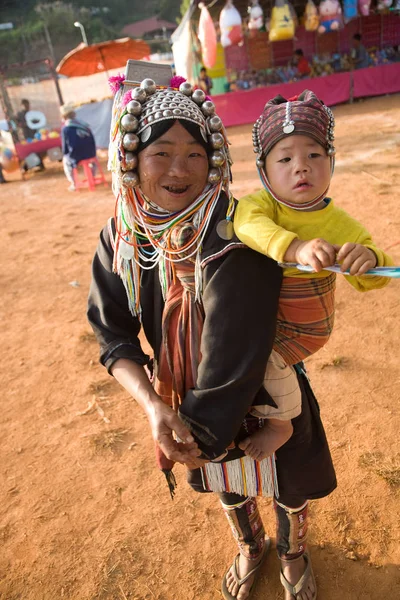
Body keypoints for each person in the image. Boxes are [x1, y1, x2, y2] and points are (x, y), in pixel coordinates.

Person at [88, 75, 337, 600]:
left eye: (194, 154)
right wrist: (155, 404)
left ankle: (292, 552)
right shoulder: (121, 234)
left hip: (261, 393)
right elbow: (113, 330)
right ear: (130, 158)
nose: (179, 169)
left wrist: (196, 433)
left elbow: (233, 347)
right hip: (184, 398)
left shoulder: (236, 232)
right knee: (227, 485)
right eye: (161, 152)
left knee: (287, 483)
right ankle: (251, 547)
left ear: (214, 161)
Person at [234, 90, 393, 461]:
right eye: (285, 158)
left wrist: (368, 257)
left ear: (331, 161)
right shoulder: (259, 205)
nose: (301, 167)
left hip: (308, 327)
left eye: (314, 155)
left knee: (260, 357)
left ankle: (282, 422)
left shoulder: (341, 224)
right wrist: (295, 248)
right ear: (264, 172)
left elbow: (378, 276)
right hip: (271, 318)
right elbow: (246, 224)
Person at [60, 103, 97, 191]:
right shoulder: (84, 125)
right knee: (93, 161)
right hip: (91, 153)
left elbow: (65, 148)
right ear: (74, 114)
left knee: (66, 161)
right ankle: (92, 177)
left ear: (64, 117)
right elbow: (92, 140)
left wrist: (66, 155)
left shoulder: (66, 129)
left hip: (76, 155)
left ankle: (74, 183)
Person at [16, 98, 45, 172]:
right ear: (21, 105)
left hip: (34, 135)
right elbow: (17, 124)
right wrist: (24, 124)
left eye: (27, 105)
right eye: (24, 105)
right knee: (28, 151)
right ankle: (26, 166)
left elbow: (37, 121)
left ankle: (40, 164)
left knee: (37, 149)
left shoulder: (32, 114)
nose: (26, 106)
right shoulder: (19, 114)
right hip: (26, 135)